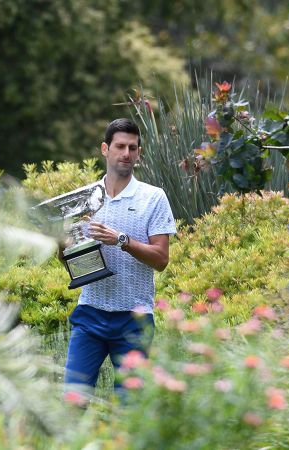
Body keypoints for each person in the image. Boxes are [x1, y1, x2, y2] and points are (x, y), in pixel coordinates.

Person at [62, 118, 176, 400]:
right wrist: (61, 244)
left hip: (134, 318)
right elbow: (70, 263)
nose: (126, 153)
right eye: (120, 146)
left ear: (138, 153)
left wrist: (121, 240)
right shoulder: (83, 200)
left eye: (132, 148)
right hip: (90, 312)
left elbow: (161, 259)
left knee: (129, 408)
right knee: (72, 401)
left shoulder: (153, 197)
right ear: (105, 149)